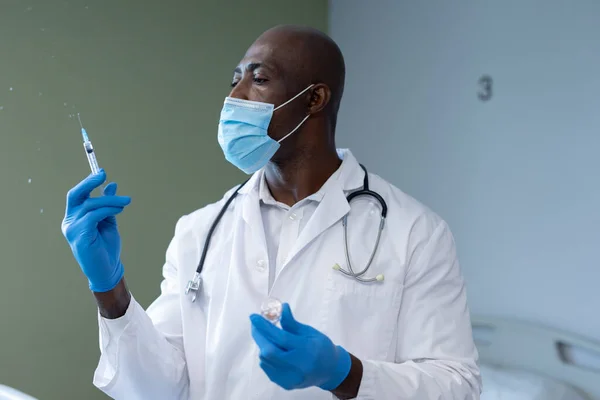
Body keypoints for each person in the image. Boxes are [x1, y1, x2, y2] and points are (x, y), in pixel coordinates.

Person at [61, 25, 481, 399]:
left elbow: (456, 385)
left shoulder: (414, 232)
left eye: (258, 79)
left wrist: (345, 373)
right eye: (234, 80)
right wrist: (110, 291)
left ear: (314, 98)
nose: (234, 96)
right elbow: (155, 390)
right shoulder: (200, 231)